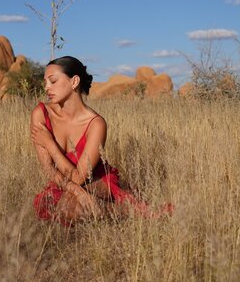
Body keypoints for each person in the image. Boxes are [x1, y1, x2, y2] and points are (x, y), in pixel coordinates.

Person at [30, 56, 173, 225]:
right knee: (64, 208)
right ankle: (115, 209)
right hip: (61, 184)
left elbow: (78, 177)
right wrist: (79, 193)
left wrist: (50, 145)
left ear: (74, 81)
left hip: (96, 181)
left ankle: (123, 209)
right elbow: (47, 168)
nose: (46, 87)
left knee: (69, 208)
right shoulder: (40, 114)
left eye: (52, 81)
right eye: (45, 82)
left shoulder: (96, 124)